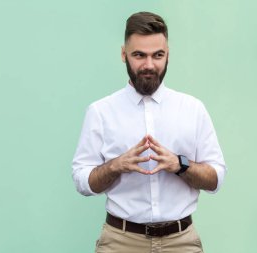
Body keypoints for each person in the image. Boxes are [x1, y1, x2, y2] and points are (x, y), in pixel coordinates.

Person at [72, 11, 227, 253]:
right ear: (124, 55)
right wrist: (115, 166)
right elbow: (82, 181)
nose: (149, 65)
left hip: (181, 242)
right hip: (120, 242)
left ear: (168, 55)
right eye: (139, 55)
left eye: (158, 55)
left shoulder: (193, 109)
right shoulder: (100, 112)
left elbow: (216, 178)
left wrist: (180, 164)